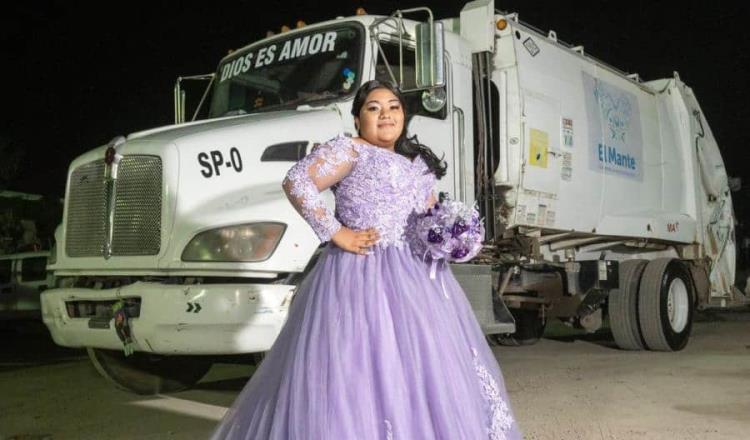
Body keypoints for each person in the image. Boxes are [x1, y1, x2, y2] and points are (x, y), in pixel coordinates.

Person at [211, 80, 521, 439]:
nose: (386, 114)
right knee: (357, 368)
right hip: (360, 273)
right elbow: (297, 181)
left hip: (416, 278)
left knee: (420, 367)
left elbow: (429, 214)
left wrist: (454, 239)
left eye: (394, 106)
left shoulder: (416, 164)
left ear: (404, 116)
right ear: (358, 119)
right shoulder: (351, 151)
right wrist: (336, 232)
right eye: (374, 108)